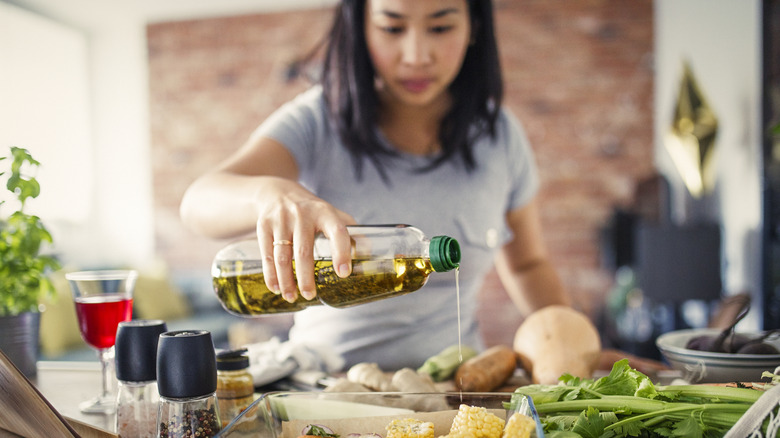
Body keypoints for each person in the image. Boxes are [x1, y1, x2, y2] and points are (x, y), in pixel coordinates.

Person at [180, 0, 665, 374]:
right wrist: (272, 194)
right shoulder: (318, 120)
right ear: (360, 26)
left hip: (460, 388)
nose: (416, 55)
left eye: (440, 26)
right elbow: (199, 201)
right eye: (392, 27)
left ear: (474, 25)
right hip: (328, 387)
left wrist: (575, 345)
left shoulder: (500, 136)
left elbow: (530, 261)